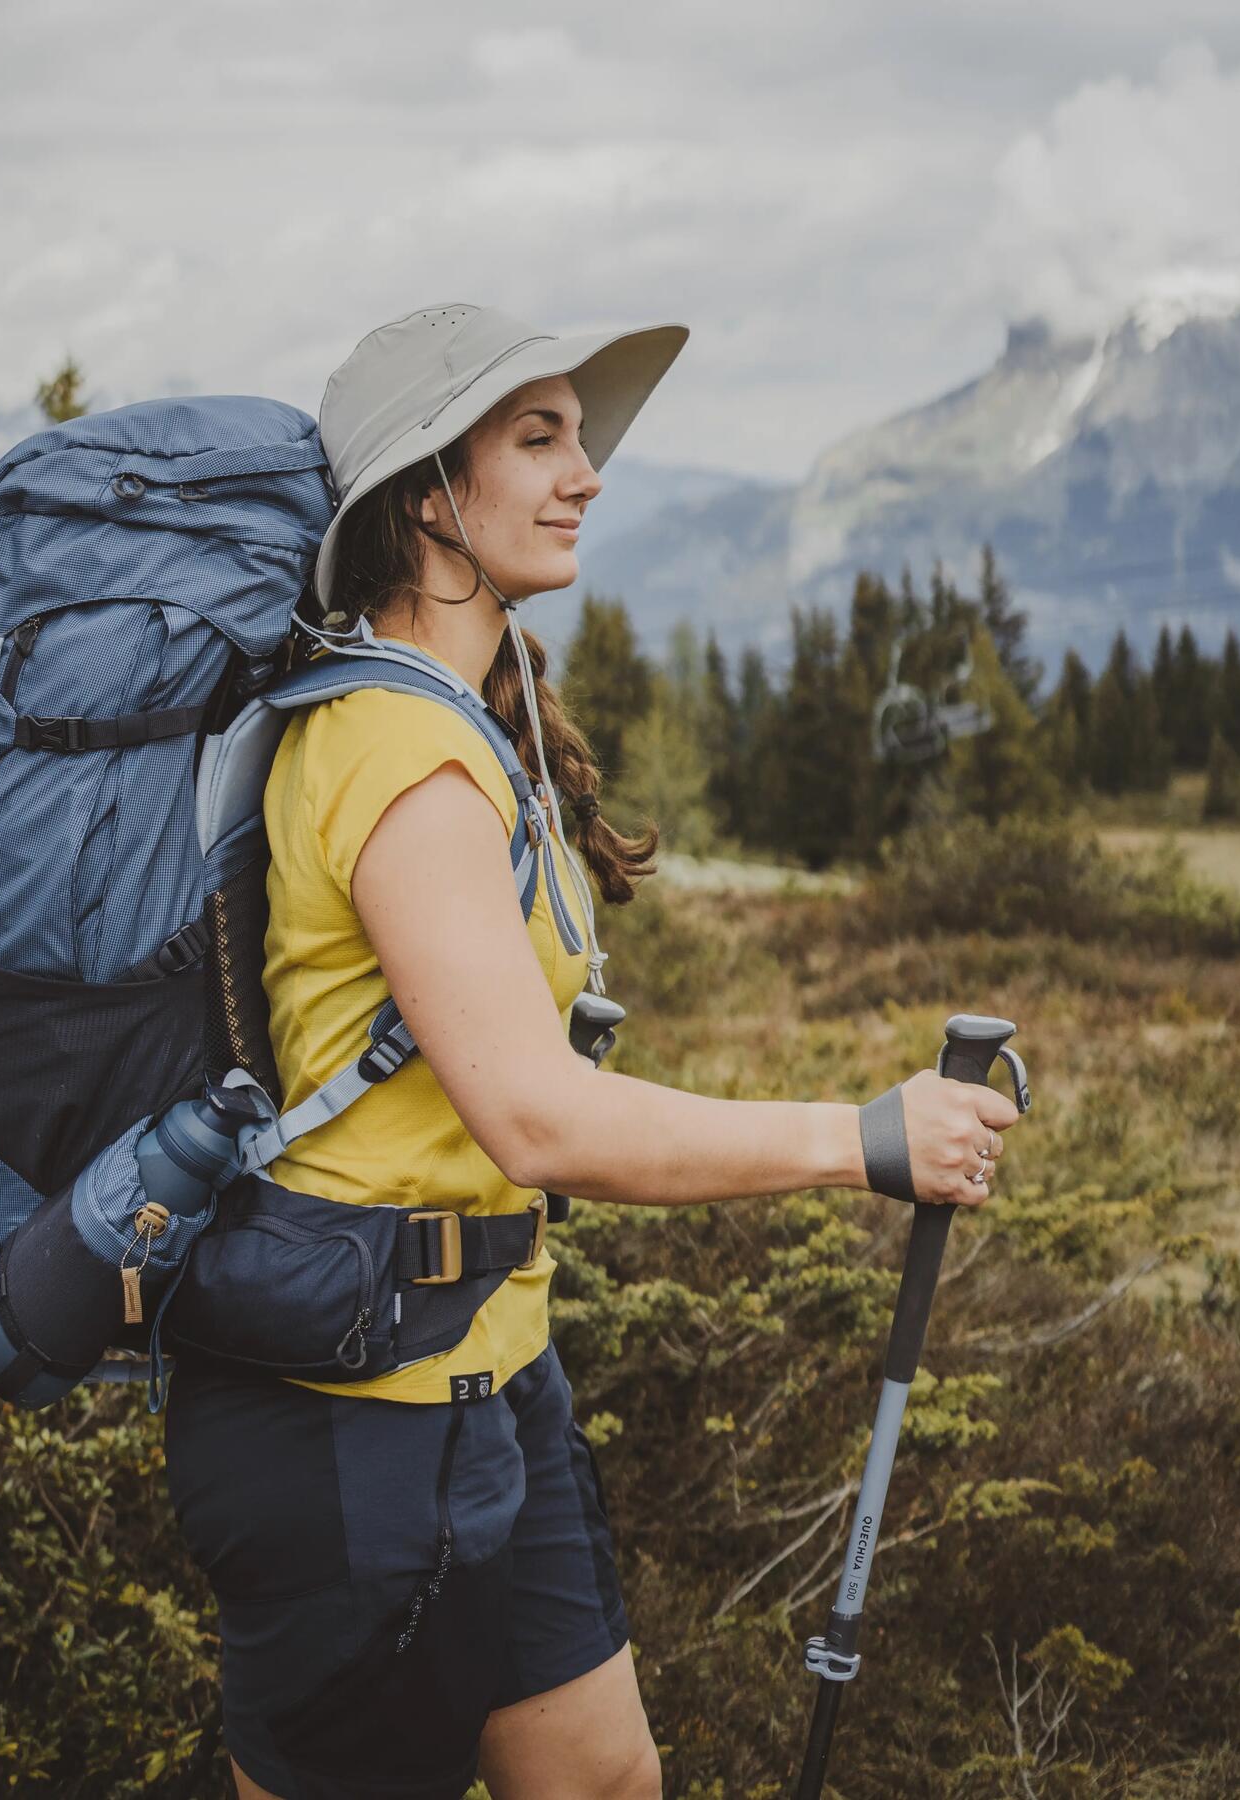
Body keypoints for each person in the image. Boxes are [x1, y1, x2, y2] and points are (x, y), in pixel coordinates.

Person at [162, 303, 1021, 1800]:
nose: (587, 473)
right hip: (352, 1419)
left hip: (491, 1376)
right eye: (539, 437)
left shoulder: (463, 722)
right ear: (430, 493)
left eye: (579, 435)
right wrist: (861, 1139)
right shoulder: (400, 756)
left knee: (605, 1782)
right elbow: (538, 1122)